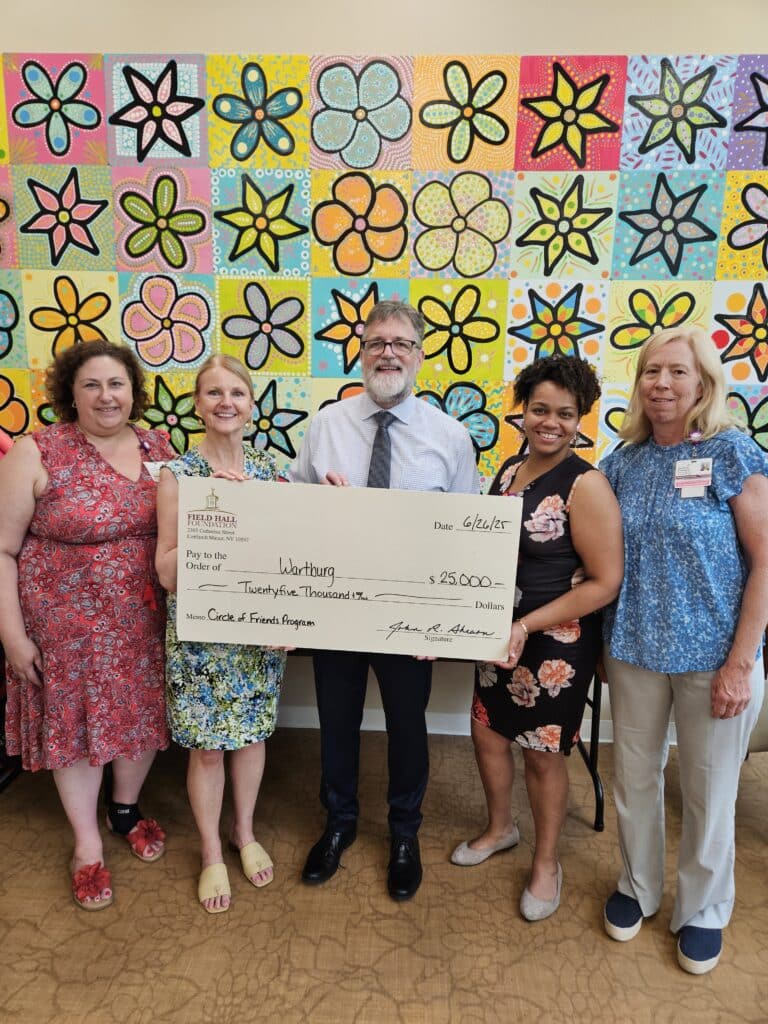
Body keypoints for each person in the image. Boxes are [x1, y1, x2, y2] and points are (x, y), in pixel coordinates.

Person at [289, 299, 479, 901]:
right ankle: (339, 823)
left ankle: (404, 833)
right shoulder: (326, 425)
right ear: (362, 352)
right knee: (337, 723)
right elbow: (291, 512)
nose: (387, 353)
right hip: (337, 607)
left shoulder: (450, 437)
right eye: (376, 343)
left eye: (400, 343)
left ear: (420, 355)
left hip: (410, 615)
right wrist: (320, 503)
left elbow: (466, 536)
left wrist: (442, 623)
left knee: (407, 726)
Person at [600, 325, 768, 975]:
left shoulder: (732, 452)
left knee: (709, 787)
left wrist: (741, 664)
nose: (662, 383)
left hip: (714, 656)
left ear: (703, 383)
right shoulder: (623, 461)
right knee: (634, 777)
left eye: (677, 371)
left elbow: (765, 562)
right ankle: (637, 885)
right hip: (634, 648)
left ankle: (703, 908)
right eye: (652, 371)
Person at [0, 341, 172, 911]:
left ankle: (124, 809)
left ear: (133, 392)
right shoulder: (37, 451)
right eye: (91, 385)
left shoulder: (158, 446)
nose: (106, 396)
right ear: (70, 394)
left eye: (116, 384)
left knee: (141, 717)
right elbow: (2, 550)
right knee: (72, 729)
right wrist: (12, 636)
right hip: (64, 632)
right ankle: (87, 844)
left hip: (143, 624)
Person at [452, 356, 623, 920]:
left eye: (565, 414)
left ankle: (547, 862)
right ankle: (501, 828)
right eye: (540, 409)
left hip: (555, 643)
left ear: (580, 419)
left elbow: (605, 581)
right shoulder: (508, 469)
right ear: (522, 412)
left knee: (542, 757)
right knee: (487, 734)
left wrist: (526, 625)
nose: (551, 422)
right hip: (499, 632)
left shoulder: (586, 484)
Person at [155, 355, 285, 914]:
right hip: (200, 636)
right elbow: (166, 571)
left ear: (251, 404)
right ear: (197, 404)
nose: (225, 402)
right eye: (213, 393)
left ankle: (243, 831)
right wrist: (211, 511)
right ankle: (211, 850)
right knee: (207, 749)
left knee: (252, 739)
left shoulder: (273, 472)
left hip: (256, 635)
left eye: (236, 392)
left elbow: (286, 560)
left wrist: (290, 619)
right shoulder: (177, 475)